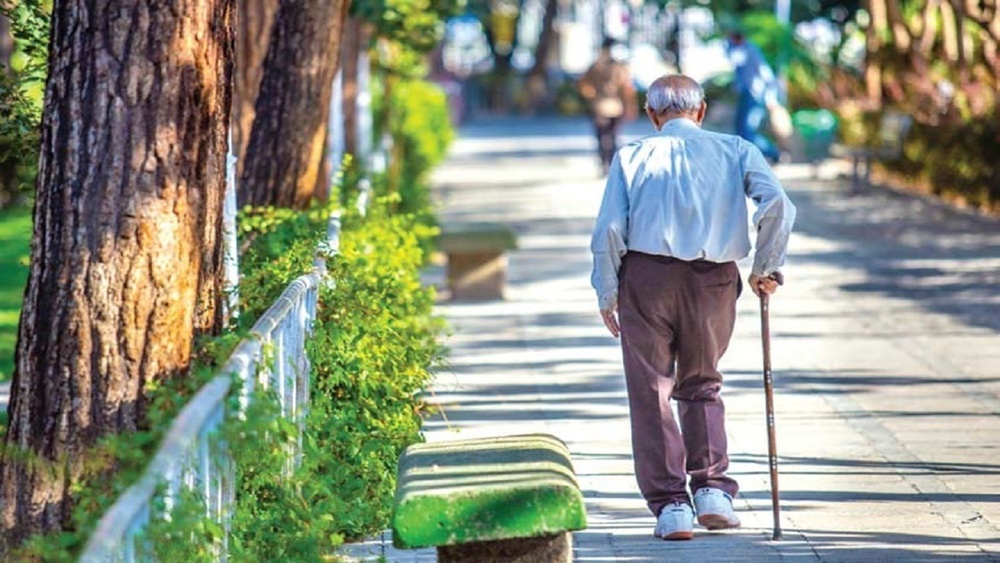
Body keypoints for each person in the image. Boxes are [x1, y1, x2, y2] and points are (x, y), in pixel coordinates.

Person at [589, 74, 795, 541]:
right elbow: (778, 203)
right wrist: (767, 265)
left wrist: (606, 291)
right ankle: (712, 491)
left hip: (647, 279)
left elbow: (609, 232)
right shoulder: (736, 149)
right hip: (713, 280)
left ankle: (671, 506)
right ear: (700, 112)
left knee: (651, 390)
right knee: (702, 383)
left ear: (651, 115)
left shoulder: (632, 156)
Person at [578, 38, 638, 173]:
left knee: (604, 136)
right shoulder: (618, 67)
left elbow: (584, 85)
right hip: (612, 105)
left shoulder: (596, 66)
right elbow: (627, 88)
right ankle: (609, 161)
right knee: (611, 136)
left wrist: (591, 96)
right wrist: (630, 106)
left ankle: (605, 161)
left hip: (601, 105)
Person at [725, 32, 783, 162]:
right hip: (747, 94)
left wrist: (771, 98)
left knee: (747, 131)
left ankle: (774, 153)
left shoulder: (748, 50)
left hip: (754, 95)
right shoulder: (745, 50)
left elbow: (765, 74)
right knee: (740, 129)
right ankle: (749, 157)